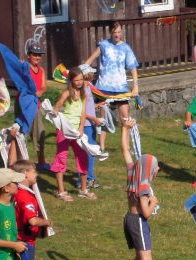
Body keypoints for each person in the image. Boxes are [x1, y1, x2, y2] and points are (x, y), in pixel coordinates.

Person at [84, 21, 139, 164]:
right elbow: (90, 60)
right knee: (103, 118)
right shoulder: (103, 45)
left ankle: (126, 147)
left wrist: (135, 87)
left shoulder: (126, 48)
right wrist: (80, 71)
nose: (117, 35)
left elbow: (133, 68)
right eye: (115, 32)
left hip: (121, 88)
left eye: (119, 32)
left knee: (125, 117)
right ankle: (101, 147)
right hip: (104, 88)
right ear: (110, 33)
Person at [50, 66, 96, 201]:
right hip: (64, 130)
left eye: (81, 79)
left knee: (83, 157)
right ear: (71, 81)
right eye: (76, 80)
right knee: (61, 158)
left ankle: (83, 189)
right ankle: (61, 191)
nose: (79, 82)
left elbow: (83, 113)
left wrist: (81, 128)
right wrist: (56, 119)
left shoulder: (84, 94)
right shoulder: (67, 92)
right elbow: (57, 106)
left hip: (77, 131)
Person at [124, 152, 159, 260]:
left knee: (139, 258)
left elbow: (126, 152)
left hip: (129, 219)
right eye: (155, 167)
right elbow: (146, 213)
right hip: (138, 221)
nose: (157, 169)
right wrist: (153, 202)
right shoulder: (144, 186)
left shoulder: (132, 173)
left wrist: (125, 135)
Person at [12, 44, 48, 169]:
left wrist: (40, 92)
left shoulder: (41, 70)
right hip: (22, 104)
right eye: (35, 54)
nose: (37, 57)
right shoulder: (25, 67)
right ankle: (20, 161)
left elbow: (44, 86)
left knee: (39, 132)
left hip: (35, 104)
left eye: (39, 55)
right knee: (21, 131)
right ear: (29, 56)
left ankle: (41, 161)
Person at [77, 63, 105, 189]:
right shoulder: (82, 89)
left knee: (91, 152)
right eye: (91, 72)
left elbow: (88, 106)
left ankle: (90, 178)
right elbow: (81, 111)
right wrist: (93, 118)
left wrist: (98, 105)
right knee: (87, 153)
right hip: (86, 124)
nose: (93, 74)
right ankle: (84, 180)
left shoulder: (88, 86)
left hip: (91, 123)